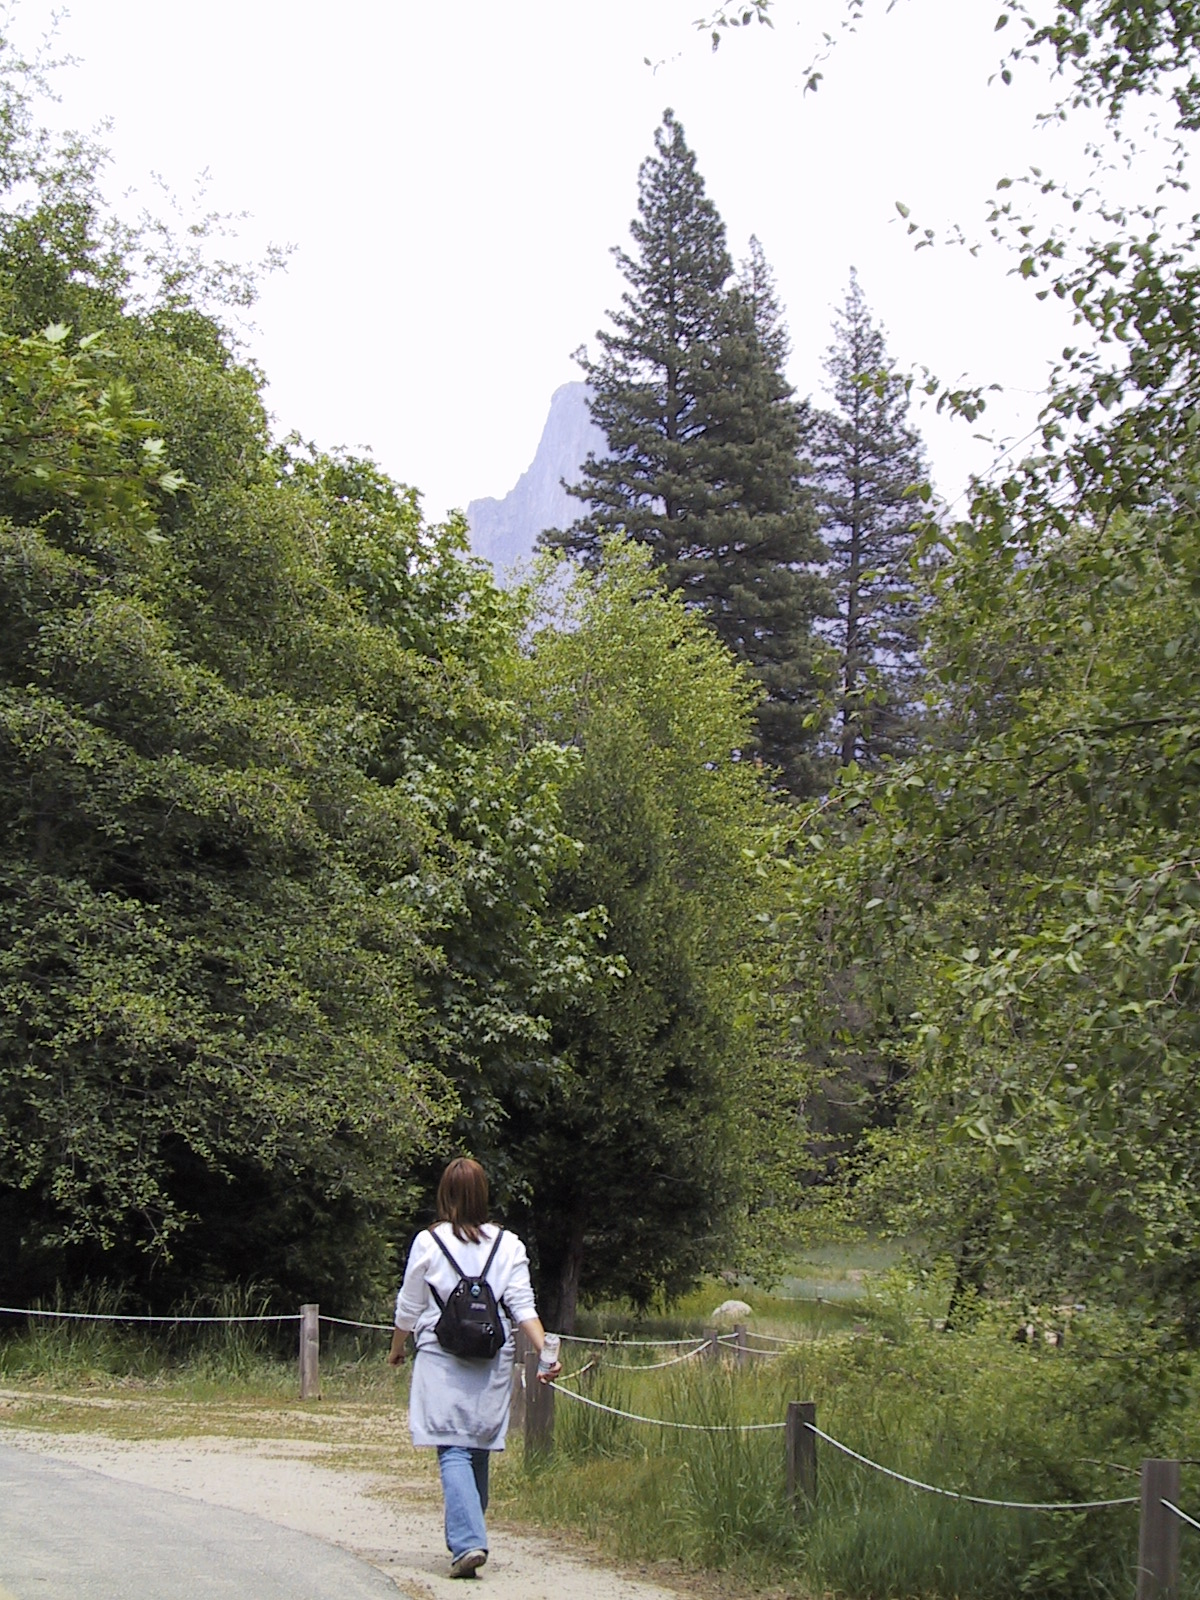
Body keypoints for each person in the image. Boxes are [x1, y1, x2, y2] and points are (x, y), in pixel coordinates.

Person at [388, 1156, 561, 1580]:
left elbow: (409, 1306)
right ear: (483, 1194)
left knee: (452, 1447)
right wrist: (546, 1352)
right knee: (476, 1446)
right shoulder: (509, 1245)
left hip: (441, 1355)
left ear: (444, 1194)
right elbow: (522, 1307)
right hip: (492, 1358)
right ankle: (470, 1536)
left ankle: (468, 1542)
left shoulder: (428, 1242)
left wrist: (397, 1347)